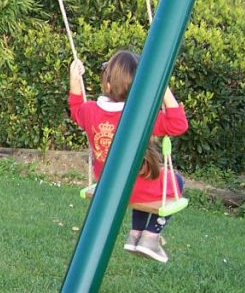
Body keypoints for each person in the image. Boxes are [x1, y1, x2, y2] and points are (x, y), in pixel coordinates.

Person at [68, 49, 189, 263]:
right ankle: (150, 236)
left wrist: (74, 80)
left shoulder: (90, 111)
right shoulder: (142, 117)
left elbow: (75, 108)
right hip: (137, 189)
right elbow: (178, 124)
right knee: (175, 180)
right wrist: (163, 88)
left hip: (108, 186)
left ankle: (135, 235)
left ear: (107, 85)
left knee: (147, 179)